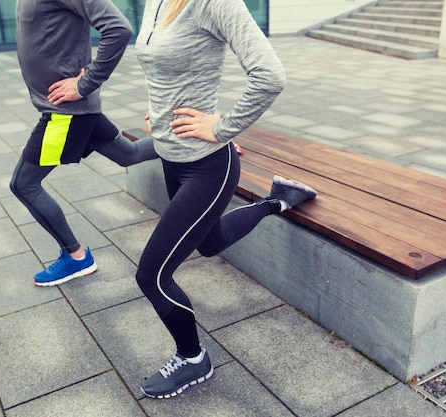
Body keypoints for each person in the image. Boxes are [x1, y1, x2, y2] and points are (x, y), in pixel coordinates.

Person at [134, 0, 317, 399]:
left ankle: (194, 360)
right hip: (173, 157)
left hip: (208, 166)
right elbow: (166, 70)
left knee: (151, 275)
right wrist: (159, 114)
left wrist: (223, 128)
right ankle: (279, 201)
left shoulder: (212, 2)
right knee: (211, 242)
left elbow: (270, 76)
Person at [10, 0, 158, 287]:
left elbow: (119, 29)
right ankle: (191, 142)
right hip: (71, 111)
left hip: (65, 115)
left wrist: (84, 83)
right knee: (128, 154)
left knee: (24, 184)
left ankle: (77, 258)